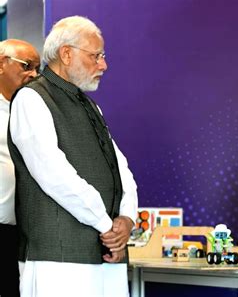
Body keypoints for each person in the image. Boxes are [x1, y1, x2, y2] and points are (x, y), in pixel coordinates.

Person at [7, 16, 138, 296]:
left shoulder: (90, 107)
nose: (103, 65)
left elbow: (121, 169)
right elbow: (54, 175)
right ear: (66, 54)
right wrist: (107, 226)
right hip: (57, 260)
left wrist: (127, 219)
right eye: (96, 56)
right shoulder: (32, 99)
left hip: (105, 254)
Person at [0, 39, 40, 297]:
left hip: (25, 232)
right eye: (27, 66)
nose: (34, 75)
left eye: (38, 68)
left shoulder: (34, 111)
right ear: (1, 64)